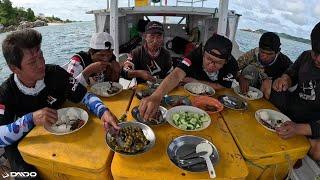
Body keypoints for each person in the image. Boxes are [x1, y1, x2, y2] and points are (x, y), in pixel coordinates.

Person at [0, 29, 119, 176]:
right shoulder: (5, 93)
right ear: (14, 68)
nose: (41, 63)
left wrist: (103, 112)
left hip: (63, 136)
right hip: (24, 145)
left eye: (41, 55)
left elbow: (85, 96)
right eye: (32, 62)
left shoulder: (56, 73)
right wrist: (31, 119)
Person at [139, 34, 239, 120]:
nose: (211, 65)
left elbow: (221, 86)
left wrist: (193, 81)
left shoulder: (232, 65)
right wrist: (156, 96)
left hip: (215, 99)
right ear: (203, 52)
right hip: (190, 94)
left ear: (226, 62)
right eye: (208, 59)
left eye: (218, 63)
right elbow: (177, 74)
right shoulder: (195, 54)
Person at [271, 22, 320, 160]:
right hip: (290, 109)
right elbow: (290, 73)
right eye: (315, 52)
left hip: (311, 124)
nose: (318, 59)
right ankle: (275, 124)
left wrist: (298, 129)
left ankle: (302, 144)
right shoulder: (305, 56)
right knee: (269, 84)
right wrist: (284, 79)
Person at [237, 32, 292, 99]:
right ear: (259, 48)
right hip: (250, 90)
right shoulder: (252, 54)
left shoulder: (285, 62)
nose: (265, 57)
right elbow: (233, 67)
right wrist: (240, 77)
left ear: (278, 51)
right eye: (262, 52)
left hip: (269, 95)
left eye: (269, 54)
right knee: (250, 69)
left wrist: (274, 81)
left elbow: (294, 79)